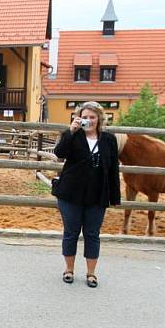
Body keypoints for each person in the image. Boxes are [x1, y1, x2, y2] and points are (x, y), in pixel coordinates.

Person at [52, 100, 121, 287]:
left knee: (92, 234)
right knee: (71, 232)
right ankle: (69, 269)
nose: (88, 121)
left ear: (99, 119)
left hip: (97, 195)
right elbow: (59, 153)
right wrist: (70, 132)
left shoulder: (109, 140)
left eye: (92, 117)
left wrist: (114, 196)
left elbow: (113, 169)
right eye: (84, 117)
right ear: (78, 119)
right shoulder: (72, 136)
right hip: (70, 193)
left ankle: (91, 273)